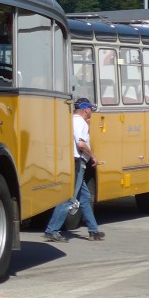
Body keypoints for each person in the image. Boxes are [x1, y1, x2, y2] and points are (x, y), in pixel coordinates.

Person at [44, 98, 105, 242]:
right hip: (77, 163)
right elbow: (81, 144)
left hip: (70, 161)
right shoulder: (80, 122)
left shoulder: (69, 120)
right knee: (69, 198)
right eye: (90, 108)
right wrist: (93, 157)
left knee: (84, 198)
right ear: (85, 109)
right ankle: (51, 230)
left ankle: (93, 231)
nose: (91, 111)